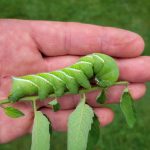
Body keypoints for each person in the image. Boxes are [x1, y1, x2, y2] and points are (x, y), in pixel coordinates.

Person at [0, 19, 149, 144]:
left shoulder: (86, 69)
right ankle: (19, 88)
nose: (97, 83)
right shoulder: (82, 72)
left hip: (28, 83)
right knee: (55, 83)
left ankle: (18, 88)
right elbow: (77, 84)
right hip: (28, 85)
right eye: (102, 80)